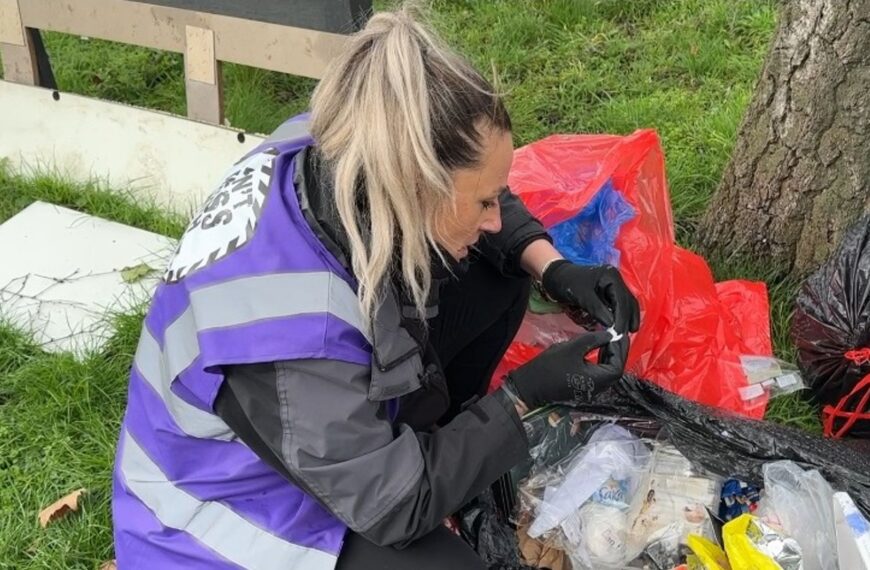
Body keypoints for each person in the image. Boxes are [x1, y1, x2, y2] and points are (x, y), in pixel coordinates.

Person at [111, 6, 640, 570]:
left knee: (497, 271)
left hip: (308, 437)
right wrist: (521, 396)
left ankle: (443, 451)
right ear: (415, 186)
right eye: (483, 202)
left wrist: (553, 269)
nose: (494, 215)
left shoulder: (353, 137)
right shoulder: (291, 337)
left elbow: (482, 194)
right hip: (218, 513)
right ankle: (435, 461)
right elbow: (395, 505)